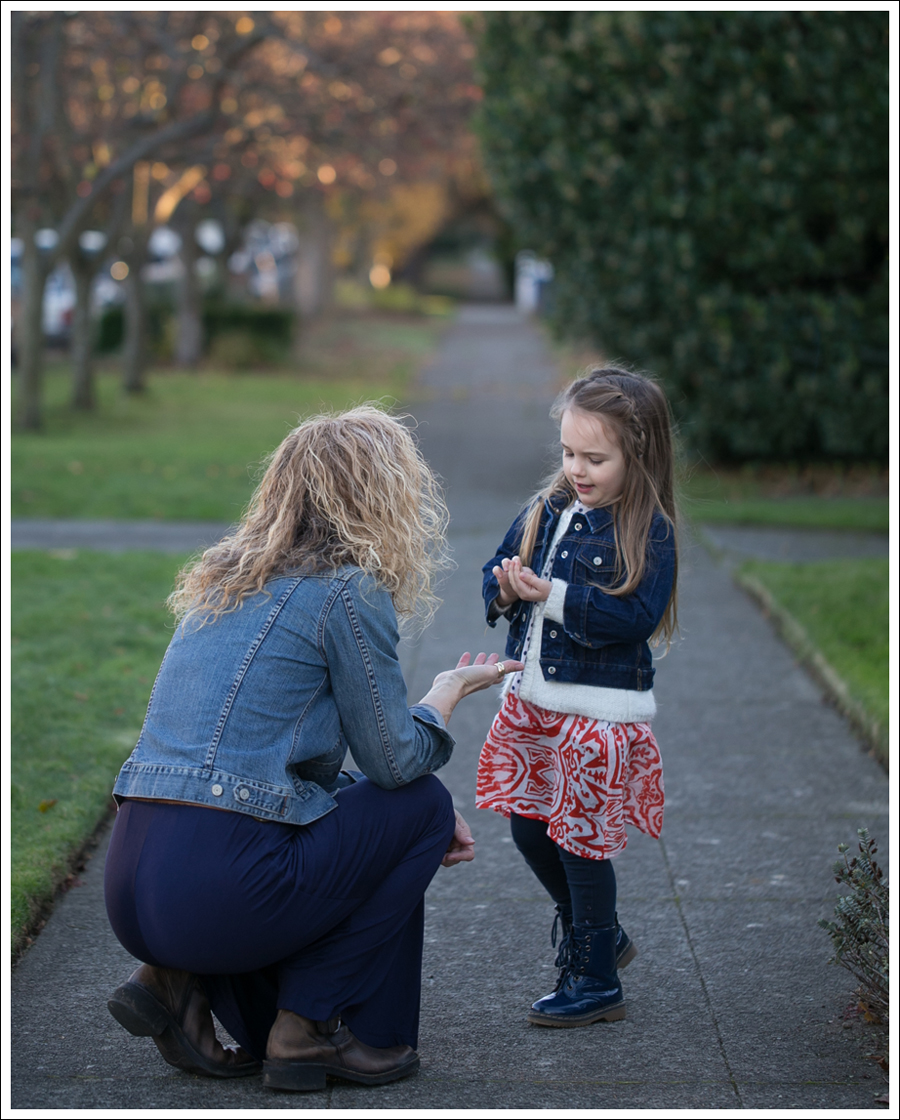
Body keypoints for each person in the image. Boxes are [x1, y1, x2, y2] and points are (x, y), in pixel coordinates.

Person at [103, 405, 522, 1093]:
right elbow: (395, 764)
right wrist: (442, 697)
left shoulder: (222, 583)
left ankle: (175, 981)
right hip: (218, 895)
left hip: (132, 889)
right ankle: (306, 1026)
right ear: (382, 499)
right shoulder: (346, 592)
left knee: (382, 809)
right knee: (422, 804)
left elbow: (291, 780)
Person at [477, 367, 678, 1027]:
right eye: (568, 452)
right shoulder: (546, 508)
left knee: (580, 841)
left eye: (595, 458)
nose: (577, 469)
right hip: (535, 704)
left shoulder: (649, 530)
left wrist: (555, 597)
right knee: (528, 826)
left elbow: (637, 617)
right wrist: (505, 589)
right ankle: (599, 932)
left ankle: (595, 979)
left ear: (637, 455)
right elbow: (496, 569)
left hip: (597, 713)